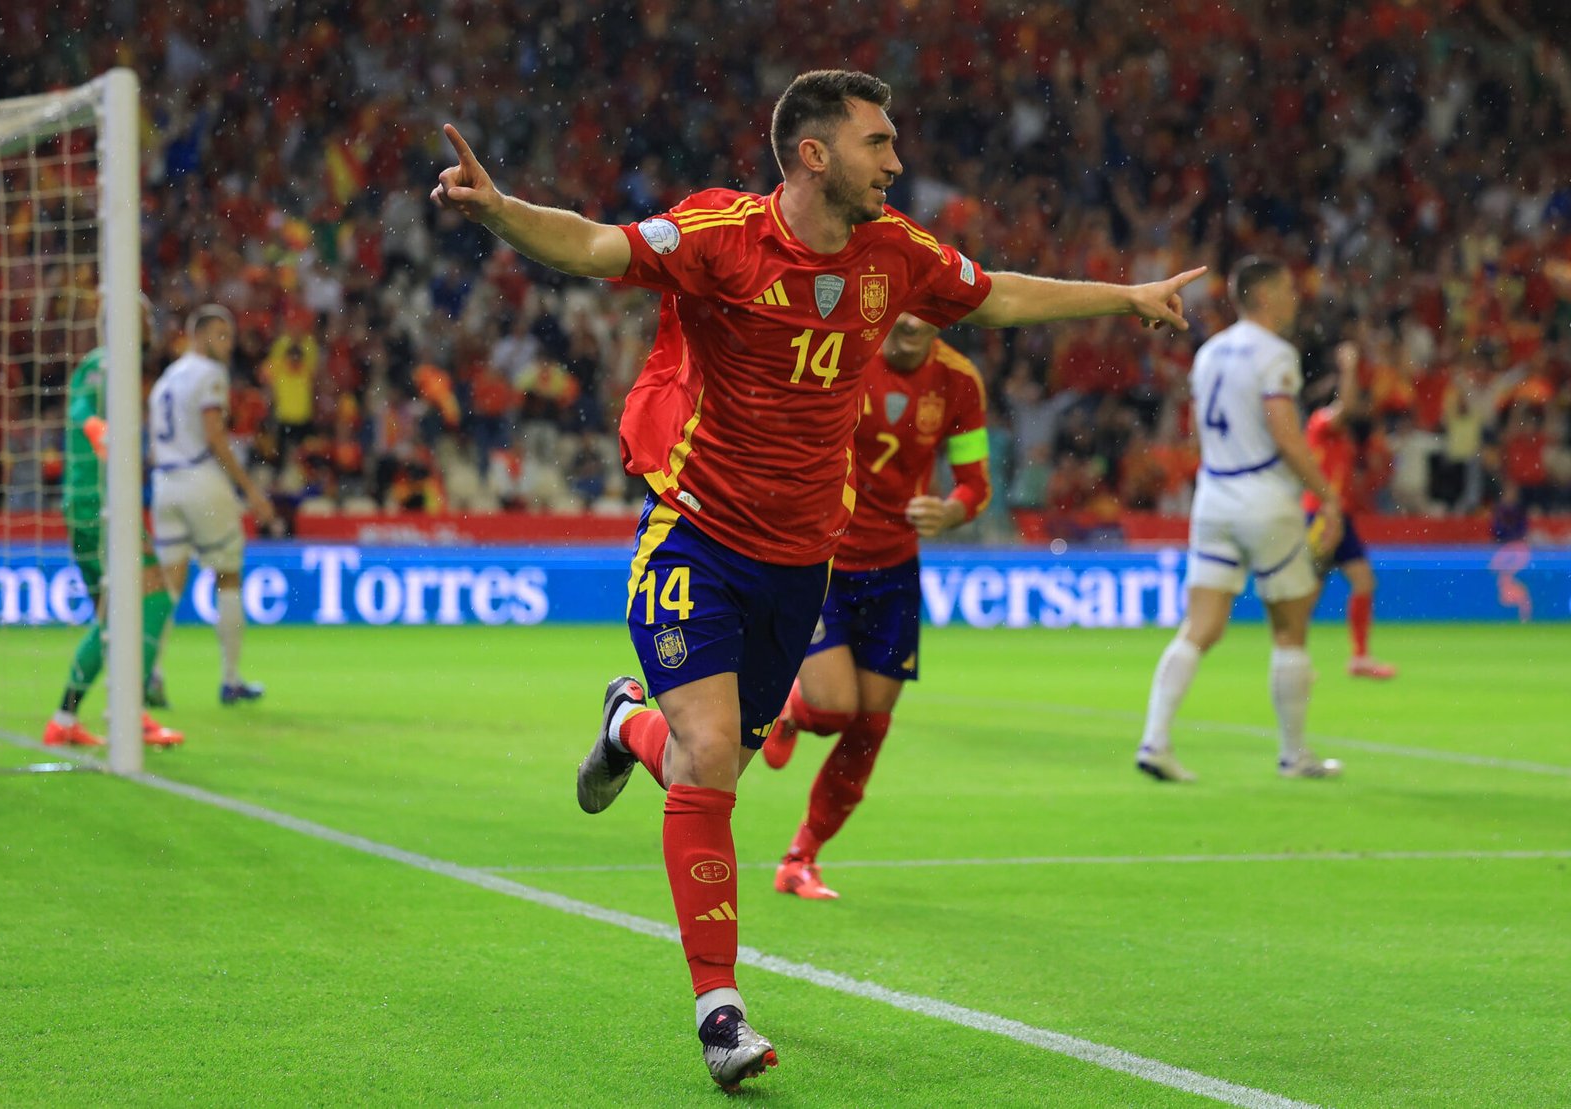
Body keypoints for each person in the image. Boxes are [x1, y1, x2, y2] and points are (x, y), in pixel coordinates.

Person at [431, 69, 1204, 1092]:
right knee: (711, 759)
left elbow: (998, 294)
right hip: (695, 543)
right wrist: (500, 211)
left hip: (803, 566)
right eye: (877, 142)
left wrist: (1125, 297)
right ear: (814, 154)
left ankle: (626, 725)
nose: (895, 159)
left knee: (708, 766)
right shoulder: (722, 237)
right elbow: (592, 243)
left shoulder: (896, 256)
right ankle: (719, 1010)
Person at [758, 312, 990, 900]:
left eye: (926, 310)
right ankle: (793, 708)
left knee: (869, 726)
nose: (912, 320)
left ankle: (800, 858)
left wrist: (951, 511)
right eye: (903, 306)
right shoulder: (843, 355)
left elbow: (974, 484)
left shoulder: (959, 382)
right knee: (835, 709)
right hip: (823, 558)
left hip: (894, 571)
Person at [1136, 257, 1345, 783]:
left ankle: (1155, 740)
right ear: (1266, 295)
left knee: (1200, 627)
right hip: (1265, 498)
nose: (1295, 298)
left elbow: (1201, 436)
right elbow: (1285, 433)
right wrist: (1328, 496)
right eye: (1288, 289)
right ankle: (1294, 755)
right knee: (1290, 630)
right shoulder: (1276, 355)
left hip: (1213, 498)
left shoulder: (1208, 353)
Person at [43, 298, 184, 749]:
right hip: (96, 506)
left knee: (111, 617)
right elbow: (81, 409)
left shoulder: (117, 370)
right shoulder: (104, 364)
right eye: (144, 316)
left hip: (93, 503)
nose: (151, 324)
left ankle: (64, 718)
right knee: (154, 596)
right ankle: (134, 710)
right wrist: (98, 433)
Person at [147, 305, 276, 704]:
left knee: (169, 584)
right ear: (200, 336)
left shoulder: (165, 381)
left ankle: (151, 673)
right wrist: (249, 491)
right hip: (200, 480)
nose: (229, 344)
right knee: (228, 575)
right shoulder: (210, 375)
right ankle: (231, 679)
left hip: (165, 484)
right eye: (222, 335)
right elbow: (215, 436)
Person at [1303, 340, 1397, 678]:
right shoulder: (1319, 424)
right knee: (1310, 591)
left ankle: (1359, 657)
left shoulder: (1338, 436)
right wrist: (1349, 368)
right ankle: (1294, 655)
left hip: (1337, 515)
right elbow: (1348, 405)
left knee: (1363, 581)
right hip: (1321, 516)